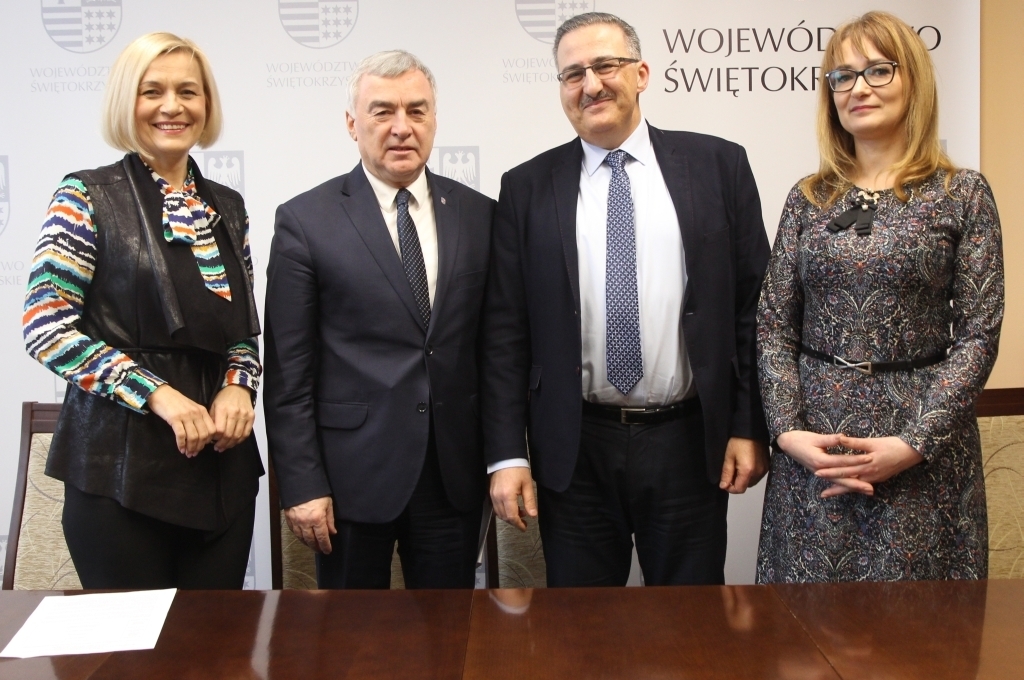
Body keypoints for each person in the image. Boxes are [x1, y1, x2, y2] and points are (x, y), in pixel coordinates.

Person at [482, 12, 771, 587]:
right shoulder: (526, 187)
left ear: (641, 74)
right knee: (582, 627)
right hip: (575, 447)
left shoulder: (719, 166)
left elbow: (753, 311)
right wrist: (509, 455)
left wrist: (748, 425)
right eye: (573, 74)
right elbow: (504, 333)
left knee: (690, 620)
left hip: (688, 441)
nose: (590, 84)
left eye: (606, 66)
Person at [756, 11, 1003, 582]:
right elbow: (773, 326)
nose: (858, 87)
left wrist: (914, 442)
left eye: (877, 70)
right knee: (807, 626)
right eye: (842, 76)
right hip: (815, 449)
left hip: (919, 450)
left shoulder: (961, 193)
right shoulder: (808, 198)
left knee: (921, 629)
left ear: (913, 80)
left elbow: (978, 334)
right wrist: (788, 431)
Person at [23, 33, 264, 589]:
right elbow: (45, 327)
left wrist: (239, 387)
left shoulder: (228, 207)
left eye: (188, 91)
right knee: (131, 646)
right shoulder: (85, 195)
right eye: (151, 91)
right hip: (116, 473)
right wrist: (158, 393)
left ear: (207, 104)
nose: (172, 107)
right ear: (125, 102)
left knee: (215, 640)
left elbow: (241, 332)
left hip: (222, 472)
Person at [264, 51, 496, 589]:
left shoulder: (480, 214)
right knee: (350, 636)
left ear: (434, 119)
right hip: (349, 480)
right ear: (352, 123)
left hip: (453, 477)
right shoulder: (305, 220)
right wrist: (302, 483)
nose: (401, 127)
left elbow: (496, 350)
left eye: (417, 110)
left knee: (449, 631)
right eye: (382, 111)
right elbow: (288, 372)